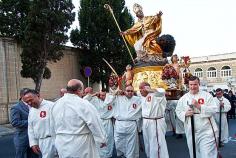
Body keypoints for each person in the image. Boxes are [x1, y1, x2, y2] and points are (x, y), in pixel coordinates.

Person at [51, 79, 107, 158]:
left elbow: (51, 125)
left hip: (61, 143)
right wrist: (102, 139)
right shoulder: (84, 104)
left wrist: (54, 141)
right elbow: (94, 123)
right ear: (79, 90)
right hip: (81, 144)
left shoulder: (56, 104)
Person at [176, 76, 219, 158]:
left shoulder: (207, 96)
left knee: (207, 154)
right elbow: (178, 111)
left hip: (206, 130)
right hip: (191, 130)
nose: (193, 87)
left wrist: (199, 106)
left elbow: (214, 109)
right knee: (194, 153)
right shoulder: (183, 98)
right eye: (191, 85)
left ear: (199, 84)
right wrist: (185, 114)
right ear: (188, 85)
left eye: (195, 84)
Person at [105, 85, 142, 158]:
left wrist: (139, 127)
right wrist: (115, 93)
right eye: (128, 91)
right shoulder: (118, 97)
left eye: (131, 91)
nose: (130, 92)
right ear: (124, 91)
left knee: (131, 144)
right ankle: (122, 154)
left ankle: (130, 156)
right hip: (119, 124)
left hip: (131, 124)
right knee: (118, 142)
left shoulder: (137, 99)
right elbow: (107, 102)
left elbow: (144, 98)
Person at [139, 82, 169, 158]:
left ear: (147, 88)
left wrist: (150, 90)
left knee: (157, 144)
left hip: (155, 122)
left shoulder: (156, 95)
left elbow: (162, 91)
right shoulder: (141, 96)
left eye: (142, 88)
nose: (140, 90)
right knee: (148, 143)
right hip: (146, 122)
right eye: (139, 88)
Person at [24, 89, 56, 158]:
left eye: (30, 100)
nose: (29, 103)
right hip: (42, 142)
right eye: (27, 102)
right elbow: (30, 128)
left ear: (38, 96)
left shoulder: (51, 106)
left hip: (55, 140)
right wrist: (33, 143)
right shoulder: (31, 111)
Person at [84, 90, 114, 158]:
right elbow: (84, 100)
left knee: (109, 139)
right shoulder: (95, 100)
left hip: (108, 122)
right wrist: (94, 94)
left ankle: (108, 155)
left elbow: (114, 96)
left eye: (103, 95)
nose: (102, 97)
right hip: (99, 122)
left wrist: (109, 95)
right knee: (99, 139)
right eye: (100, 95)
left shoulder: (110, 101)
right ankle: (100, 155)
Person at [10, 88, 38, 158]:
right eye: (26, 94)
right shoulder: (16, 107)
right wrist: (31, 122)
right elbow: (15, 122)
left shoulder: (34, 105)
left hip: (34, 138)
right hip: (22, 138)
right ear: (22, 96)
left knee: (34, 156)